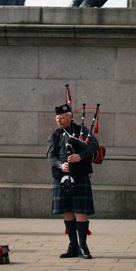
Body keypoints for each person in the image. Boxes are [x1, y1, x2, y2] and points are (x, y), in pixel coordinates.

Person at [47, 104, 99, 259]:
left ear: (70, 117)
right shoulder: (54, 135)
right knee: (67, 211)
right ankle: (73, 246)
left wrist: (80, 156)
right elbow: (51, 156)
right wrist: (60, 165)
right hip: (62, 177)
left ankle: (83, 247)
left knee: (80, 211)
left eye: (61, 118)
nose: (59, 121)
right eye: (57, 118)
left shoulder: (81, 131)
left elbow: (94, 145)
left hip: (80, 176)